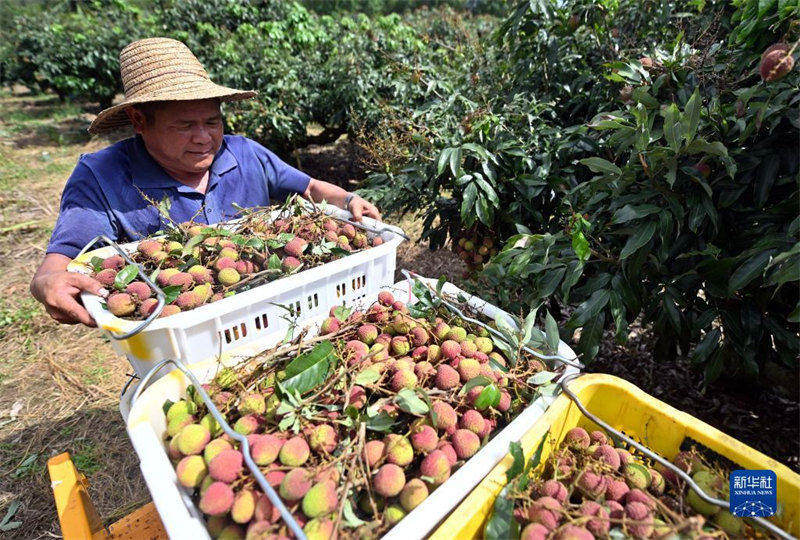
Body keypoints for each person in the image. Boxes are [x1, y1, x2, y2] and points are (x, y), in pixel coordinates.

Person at [29, 37, 380, 326]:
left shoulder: (245, 152)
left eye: (212, 122)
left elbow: (309, 188)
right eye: (185, 126)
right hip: (183, 331)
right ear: (139, 120)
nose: (203, 138)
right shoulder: (102, 174)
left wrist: (349, 200)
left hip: (274, 314)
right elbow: (62, 259)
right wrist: (46, 282)